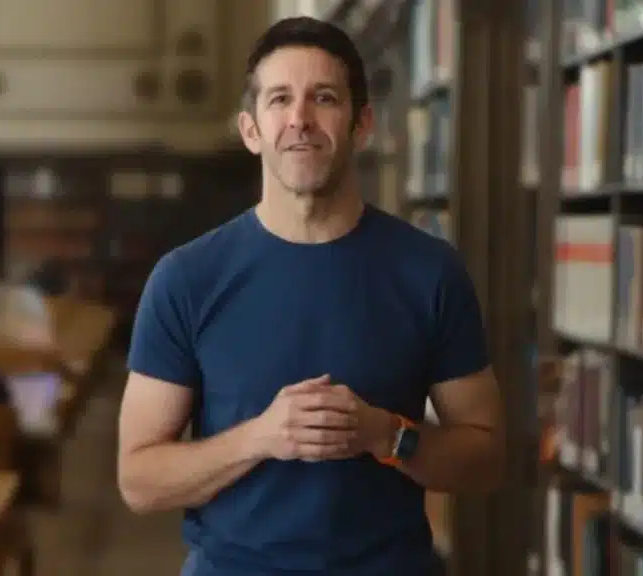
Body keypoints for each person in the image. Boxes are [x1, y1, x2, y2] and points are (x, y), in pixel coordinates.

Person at [117, 16, 506, 576]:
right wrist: (260, 437)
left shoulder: (430, 271)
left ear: (361, 124)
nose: (299, 119)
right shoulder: (185, 279)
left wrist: (385, 434)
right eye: (280, 99)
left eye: (323, 97)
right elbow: (139, 480)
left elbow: (486, 460)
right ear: (251, 129)